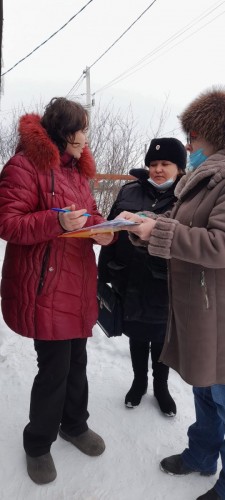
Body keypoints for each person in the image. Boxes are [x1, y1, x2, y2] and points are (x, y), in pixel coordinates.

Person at [0, 97, 114, 485]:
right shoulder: (23, 166)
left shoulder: (79, 173)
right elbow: (9, 224)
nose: (85, 137)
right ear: (63, 131)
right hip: (45, 286)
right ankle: (37, 443)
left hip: (78, 283)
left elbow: (90, 213)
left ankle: (74, 424)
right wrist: (58, 224)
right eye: (80, 128)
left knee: (78, 362)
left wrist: (105, 228)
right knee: (55, 368)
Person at [118, 88, 225, 500]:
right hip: (199, 309)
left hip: (218, 312)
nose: (189, 146)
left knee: (221, 395)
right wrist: (144, 224)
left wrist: (157, 231)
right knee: (204, 391)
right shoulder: (204, 178)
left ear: (213, 133)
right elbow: (183, 228)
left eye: (193, 137)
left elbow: (218, 243)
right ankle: (201, 456)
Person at [98, 137, 187, 416]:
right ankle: (139, 382)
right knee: (137, 333)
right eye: (153, 164)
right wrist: (106, 270)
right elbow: (111, 230)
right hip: (131, 278)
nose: (158, 169)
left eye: (165, 164)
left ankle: (161, 387)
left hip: (167, 282)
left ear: (180, 168)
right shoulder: (130, 191)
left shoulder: (188, 197)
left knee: (161, 336)